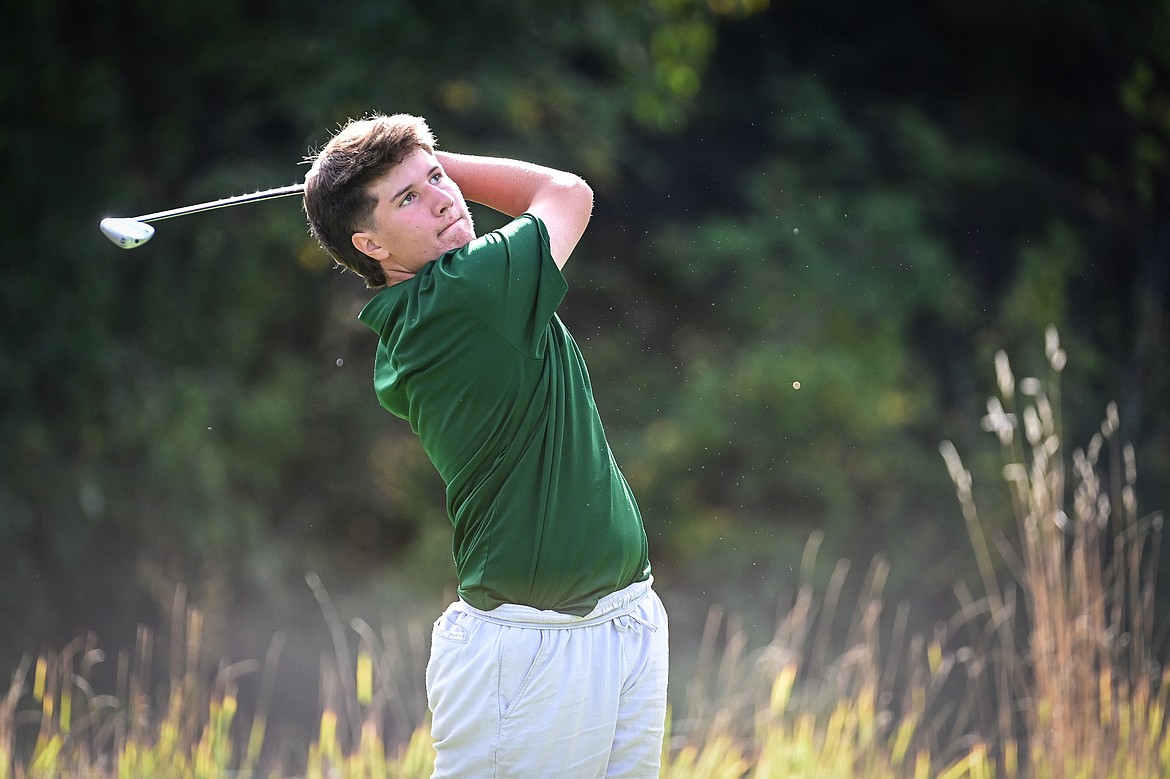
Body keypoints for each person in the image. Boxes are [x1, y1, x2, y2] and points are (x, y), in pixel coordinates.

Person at [302, 113, 669, 778]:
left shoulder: (430, 307)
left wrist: (414, 165)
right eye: (408, 198)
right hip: (531, 654)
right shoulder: (465, 295)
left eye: (438, 179)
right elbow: (567, 194)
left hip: (621, 620)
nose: (445, 198)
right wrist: (437, 157)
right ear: (370, 243)